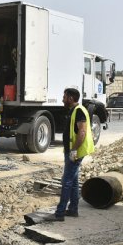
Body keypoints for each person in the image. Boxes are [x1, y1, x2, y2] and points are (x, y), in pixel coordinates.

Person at [46, 87, 95, 221]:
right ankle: (73, 209)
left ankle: (59, 213)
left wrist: (74, 150)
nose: (63, 99)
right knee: (73, 181)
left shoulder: (79, 111)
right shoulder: (74, 111)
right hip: (73, 150)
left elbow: (82, 132)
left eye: (64, 96)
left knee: (66, 181)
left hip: (76, 151)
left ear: (71, 98)